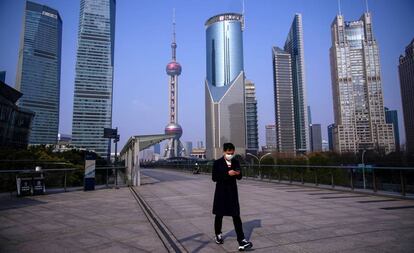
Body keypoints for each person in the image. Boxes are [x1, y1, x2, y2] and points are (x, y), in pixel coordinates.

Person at [212, 143, 253, 251]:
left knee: (236, 216)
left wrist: (236, 173)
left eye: (232, 153)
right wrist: (227, 174)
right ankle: (218, 235)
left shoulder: (235, 161)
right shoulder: (217, 163)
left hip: (232, 193)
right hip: (221, 193)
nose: (230, 155)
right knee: (219, 215)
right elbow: (214, 177)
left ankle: (241, 240)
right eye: (228, 153)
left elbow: (240, 177)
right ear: (224, 152)